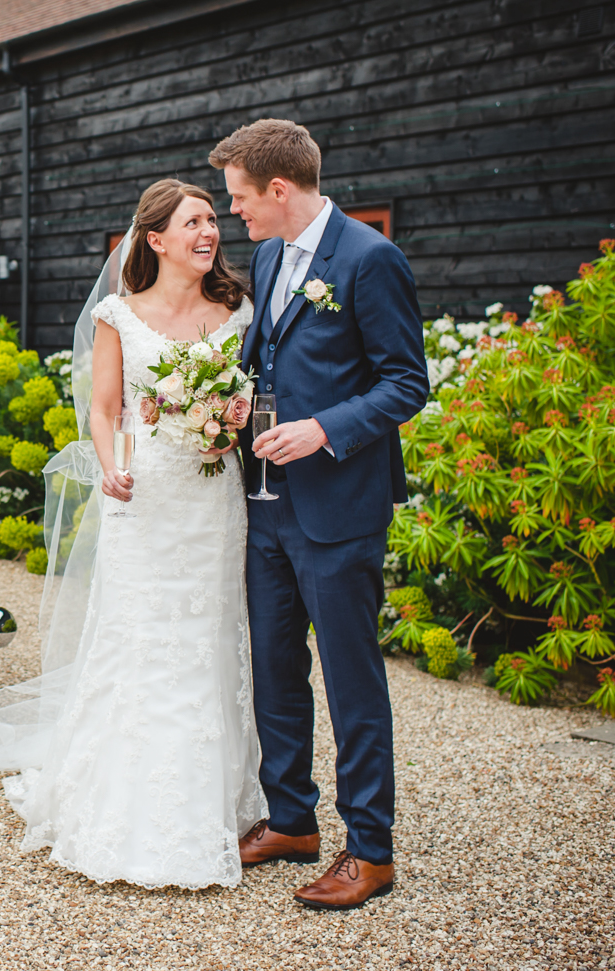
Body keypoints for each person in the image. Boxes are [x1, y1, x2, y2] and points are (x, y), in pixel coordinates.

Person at [0, 180, 267, 890]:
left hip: (213, 501)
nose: (209, 231)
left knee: (210, 635)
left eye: (213, 219)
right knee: (136, 636)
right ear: (155, 238)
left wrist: (234, 413)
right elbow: (106, 406)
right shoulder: (121, 311)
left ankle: (212, 798)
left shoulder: (237, 307)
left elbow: (254, 389)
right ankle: (120, 803)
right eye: (193, 222)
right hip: (142, 497)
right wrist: (112, 465)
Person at [210, 119, 428, 909]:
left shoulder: (371, 259)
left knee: (351, 678)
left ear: (278, 189)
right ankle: (292, 818)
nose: (235, 215)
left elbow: (407, 382)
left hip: (339, 506)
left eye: (240, 199)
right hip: (264, 505)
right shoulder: (269, 258)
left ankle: (370, 850)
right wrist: (237, 399)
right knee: (274, 667)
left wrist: (326, 427)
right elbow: (266, 355)